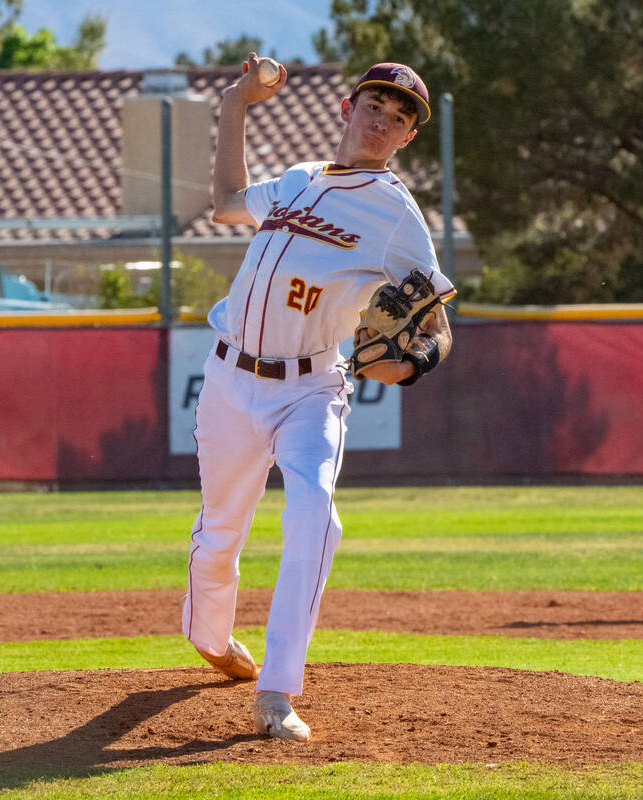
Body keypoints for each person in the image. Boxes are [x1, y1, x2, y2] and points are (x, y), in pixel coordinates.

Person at [182, 55, 456, 741]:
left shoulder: (396, 215)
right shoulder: (299, 179)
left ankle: (277, 691)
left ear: (407, 137)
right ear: (347, 109)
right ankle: (210, 636)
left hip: (311, 387)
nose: (382, 121)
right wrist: (236, 102)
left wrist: (413, 364)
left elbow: (438, 327)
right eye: (374, 106)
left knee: (315, 517)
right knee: (219, 534)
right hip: (229, 379)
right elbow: (225, 202)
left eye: (398, 118)